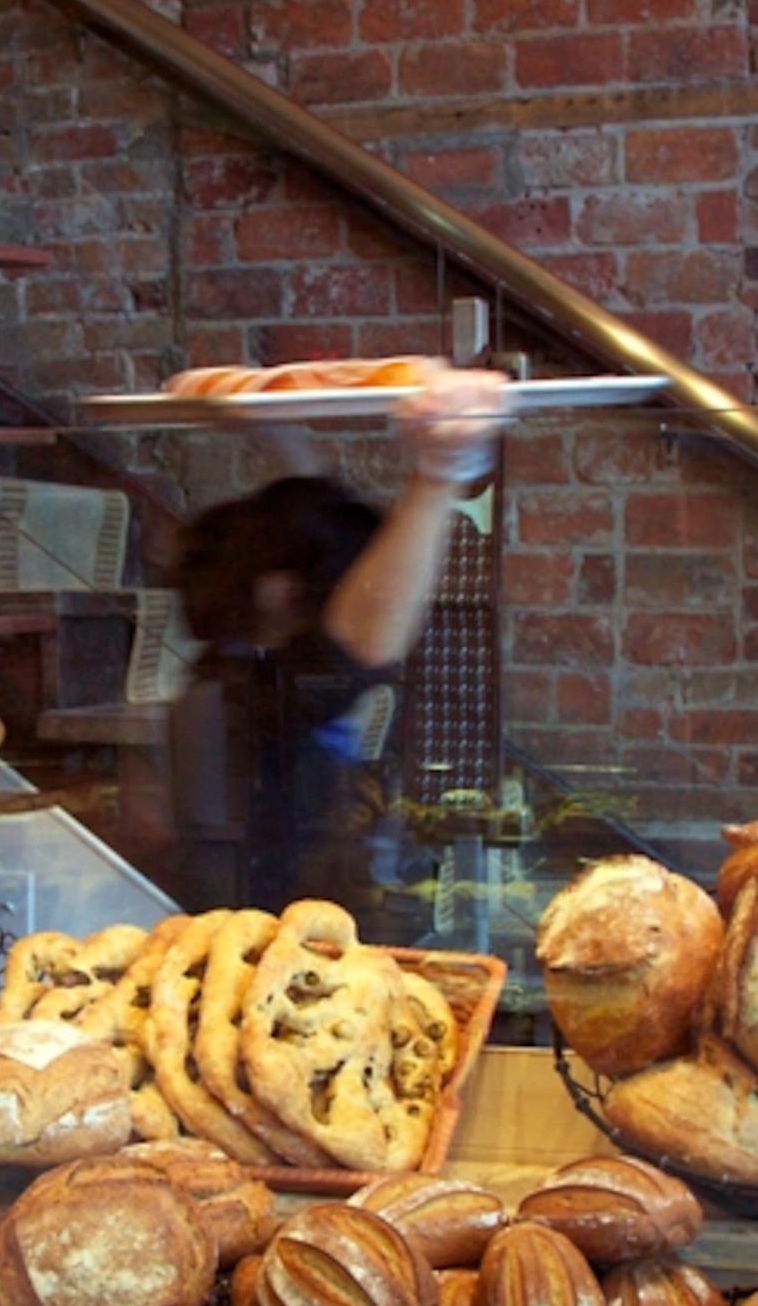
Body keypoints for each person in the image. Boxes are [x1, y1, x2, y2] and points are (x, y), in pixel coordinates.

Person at [166, 366, 505, 921]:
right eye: (338, 589)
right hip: (275, 936)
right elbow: (368, 638)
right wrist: (441, 471)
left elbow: (314, 521)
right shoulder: (268, 698)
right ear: (282, 594)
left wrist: (273, 423)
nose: (352, 592)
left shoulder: (232, 657)